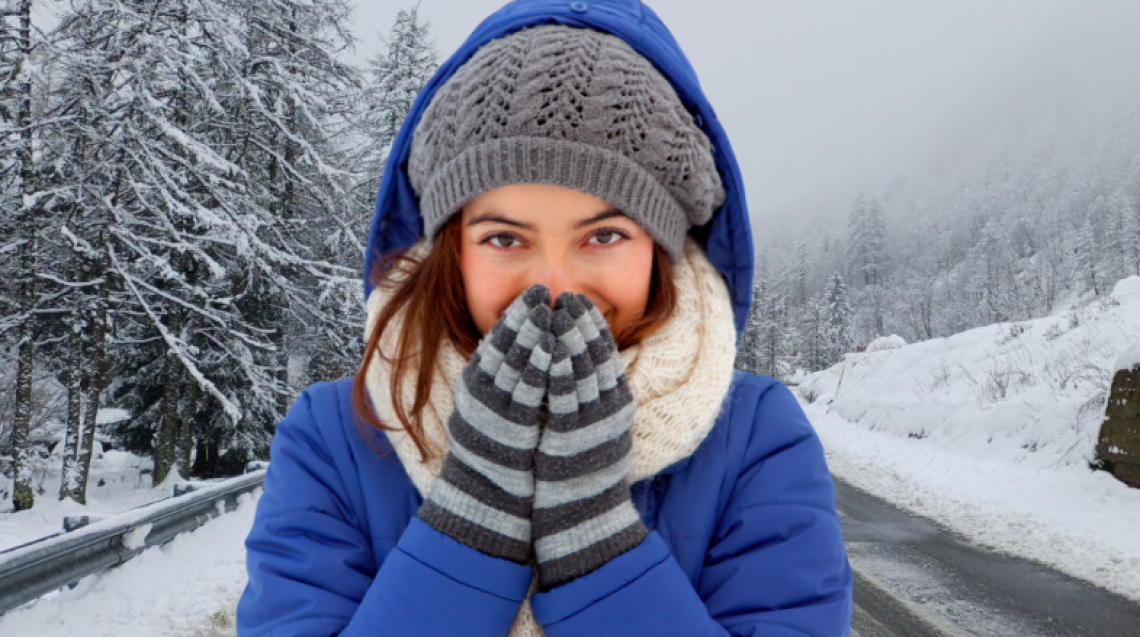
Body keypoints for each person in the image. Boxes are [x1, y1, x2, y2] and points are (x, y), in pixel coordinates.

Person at [236, 1, 853, 635]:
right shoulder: (335, 438)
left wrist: (599, 550)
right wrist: (469, 528)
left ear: (660, 250)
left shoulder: (755, 438)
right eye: (505, 239)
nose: (554, 287)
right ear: (451, 251)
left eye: (604, 236)